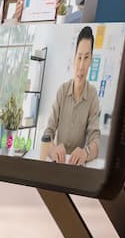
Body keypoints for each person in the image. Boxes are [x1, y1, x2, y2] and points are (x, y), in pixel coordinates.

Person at [40, 27, 101, 165]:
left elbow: (95, 140)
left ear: (91, 60)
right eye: (79, 57)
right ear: (74, 59)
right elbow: (47, 133)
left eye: (86, 58)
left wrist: (85, 153)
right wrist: (53, 149)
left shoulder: (92, 96)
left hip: (76, 167)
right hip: (57, 163)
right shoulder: (62, 91)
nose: (81, 66)